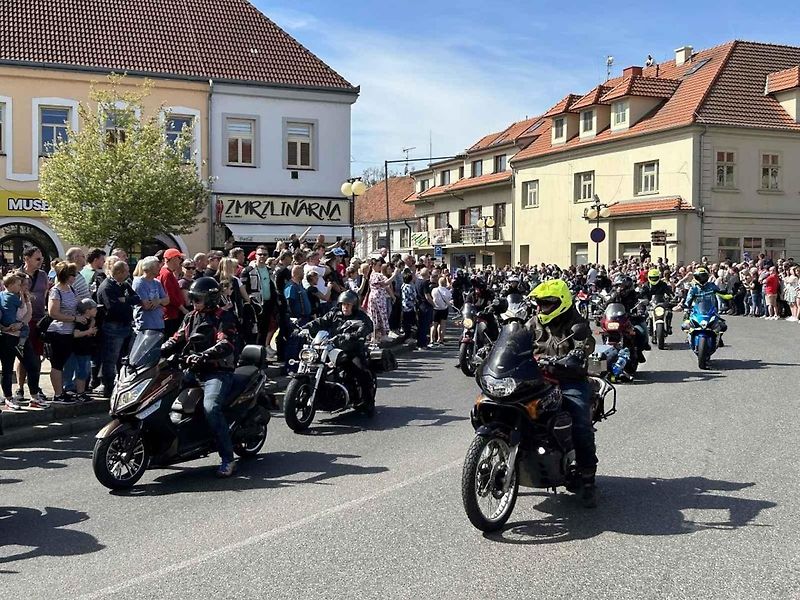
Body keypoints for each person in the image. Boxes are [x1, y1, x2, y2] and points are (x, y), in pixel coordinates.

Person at [527, 279, 597, 507]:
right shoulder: (533, 322)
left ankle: (587, 476)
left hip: (568, 379)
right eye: (540, 303)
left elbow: (586, 342)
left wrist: (578, 353)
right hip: (536, 378)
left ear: (561, 302)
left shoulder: (576, 322)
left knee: (580, 423)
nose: (542, 307)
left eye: (548, 303)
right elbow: (514, 341)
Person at [160, 277, 240, 478]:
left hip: (216, 371)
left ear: (211, 299)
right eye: (192, 298)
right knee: (161, 395)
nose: (193, 302)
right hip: (191, 369)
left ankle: (228, 459)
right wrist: (161, 348)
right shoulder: (190, 317)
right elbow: (177, 337)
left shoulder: (224, 317)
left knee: (211, 408)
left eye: (198, 299)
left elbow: (226, 343)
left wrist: (205, 355)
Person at [302, 290, 375, 407]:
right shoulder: (334, 314)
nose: (345, 307)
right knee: (316, 363)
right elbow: (320, 321)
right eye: (343, 304)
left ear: (354, 306)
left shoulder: (360, 316)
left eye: (348, 304)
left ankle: (368, 402)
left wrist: (356, 334)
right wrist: (304, 328)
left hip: (353, 350)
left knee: (361, 371)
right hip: (334, 349)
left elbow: (367, 326)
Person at [96, 260, 140, 397]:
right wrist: (125, 302)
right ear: (119, 272)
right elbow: (112, 308)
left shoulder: (124, 284)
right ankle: (108, 388)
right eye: (126, 271)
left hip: (126, 326)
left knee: (125, 359)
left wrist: (125, 300)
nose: (129, 274)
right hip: (113, 327)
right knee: (111, 358)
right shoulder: (107, 287)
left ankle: (123, 386)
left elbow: (136, 298)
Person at [46, 261, 86, 403]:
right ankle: (58, 394)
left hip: (70, 333)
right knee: (57, 364)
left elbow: (78, 305)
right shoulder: (55, 291)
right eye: (72, 274)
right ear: (66, 275)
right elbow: (53, 313)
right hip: (58, 332)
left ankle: (64, 390)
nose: (75, 277)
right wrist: (75, 318)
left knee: (66, 362)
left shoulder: (71, 289)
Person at [606, 274, 649, 363]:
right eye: (618, 286)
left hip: (632, 319)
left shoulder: (634, 295)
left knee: (641, 331)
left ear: (628, 286)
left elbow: (640, 303)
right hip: (616, 319)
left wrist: (640, 311)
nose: (619, 288)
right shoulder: (614, 294)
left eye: (621, 286)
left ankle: (639, 351)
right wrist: (601, 310)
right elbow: (607, 304)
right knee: (604, 330)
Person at [682, 267, 732, 342]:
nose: (701, 279)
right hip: (697, 310)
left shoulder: (711, 286)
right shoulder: (694, 288)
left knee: (722, 325)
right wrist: (685, 306)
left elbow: (721, 293)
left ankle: (718, 337)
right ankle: (689, 335)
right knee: (685, 323)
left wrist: (730, 296)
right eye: (699, 277)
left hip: (711, 309)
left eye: (703, 276)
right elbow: (688, 299)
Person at [242, 246, 278, 347]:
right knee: (253, 330)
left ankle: (262, 351)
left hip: (268, 304)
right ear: (255, 255)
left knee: (264, 329)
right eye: (259, 254)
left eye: (264, 254)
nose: (262, 256)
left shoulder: (269, 270)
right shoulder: (248, 270)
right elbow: (243, 288)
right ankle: (252, 351)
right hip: (254, 305)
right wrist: (249, 301)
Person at [71, 298, 99, 402]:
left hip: (86, 349)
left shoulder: (90, 320)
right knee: (82, 371)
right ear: (87, 310)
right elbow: (76, 334)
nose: (96, 311)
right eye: (94, 309)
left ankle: (81, 392)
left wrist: (92, 327)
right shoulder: (81, 321)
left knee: (85, 371)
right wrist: (88, 331)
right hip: (81, 350)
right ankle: (79, 393)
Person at [132, 257, 169, 334]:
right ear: (149, 268)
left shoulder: (157, 282)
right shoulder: (139, 283)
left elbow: (167, 301)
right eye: (157, 266)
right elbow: (147, 306)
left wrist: (158, 301)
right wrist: (160, 302)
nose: (160, 267)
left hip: (159, 324)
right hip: (145, 325)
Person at [158, 249, 189, 337]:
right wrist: (183, 309)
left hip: (171, 313)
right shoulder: (167, 274)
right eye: (179, 258)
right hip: (171, 314)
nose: (180, 261)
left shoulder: (166, 272)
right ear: (173, 259)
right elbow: (171, 296)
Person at [639, 268, 674, 334]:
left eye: (655, 278)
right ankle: (646, 326)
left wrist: (672, 297)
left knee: (669, 312)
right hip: (650, 304)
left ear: (659, 277)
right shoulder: (646, 285)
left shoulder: (663, 284)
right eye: (652, 278)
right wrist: (643, 299)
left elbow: (669, 292)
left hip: (661, 303)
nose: (654, 279)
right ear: (649, 277)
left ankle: (668, 326)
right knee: (644, 314)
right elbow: (642, 294)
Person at [430, 276, 452, 347]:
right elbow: (449, 300)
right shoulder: (447, 292)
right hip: (444, 309)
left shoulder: (434, 290)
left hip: (435, 309)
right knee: (442, 325)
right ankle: (441, 340)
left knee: (434, 325)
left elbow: (432, 297)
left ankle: (432, 340)